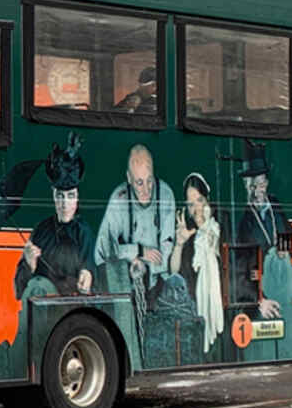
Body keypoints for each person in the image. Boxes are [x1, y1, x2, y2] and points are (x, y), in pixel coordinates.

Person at [94, 144, 183, 307]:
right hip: (125, 280)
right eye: (139, 182)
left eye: (149, 181)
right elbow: (103, 249)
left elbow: (166, 253)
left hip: (157, 281)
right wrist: (136, 252)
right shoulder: (119, 198)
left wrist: (146, 268)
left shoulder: (165, 194)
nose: (146, 190)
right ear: (129, 178)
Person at [15, 134, 96, 298]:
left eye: (70, 196)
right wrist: (29, 265)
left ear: (78, 197)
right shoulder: (41, 231)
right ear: (53, 195)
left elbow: (91, 268)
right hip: (41, 313)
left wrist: (88, 275)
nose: (65, 204)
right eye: (60, 196)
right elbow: (18, 291)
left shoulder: (84, 232)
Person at [230, 141, 292, 320]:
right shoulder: (243, 219)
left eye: (259, 184)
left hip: (284, 287)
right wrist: (258, 299)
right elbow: (239, 267)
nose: (255, 191)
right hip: (260, 295)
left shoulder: (275, 205)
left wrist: (284, 247)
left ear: (266, 183)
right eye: (250, 186)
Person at [171, 173, 223, 352]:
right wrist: (179, 244)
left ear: (207, 200)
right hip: (195, 309)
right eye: (191, 204)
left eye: (199, 200)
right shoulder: (187, 232)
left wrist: (204, 229)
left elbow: (220, 252)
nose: (196, 208)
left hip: (222, 307)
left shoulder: (218, 226)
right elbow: (174, 271)